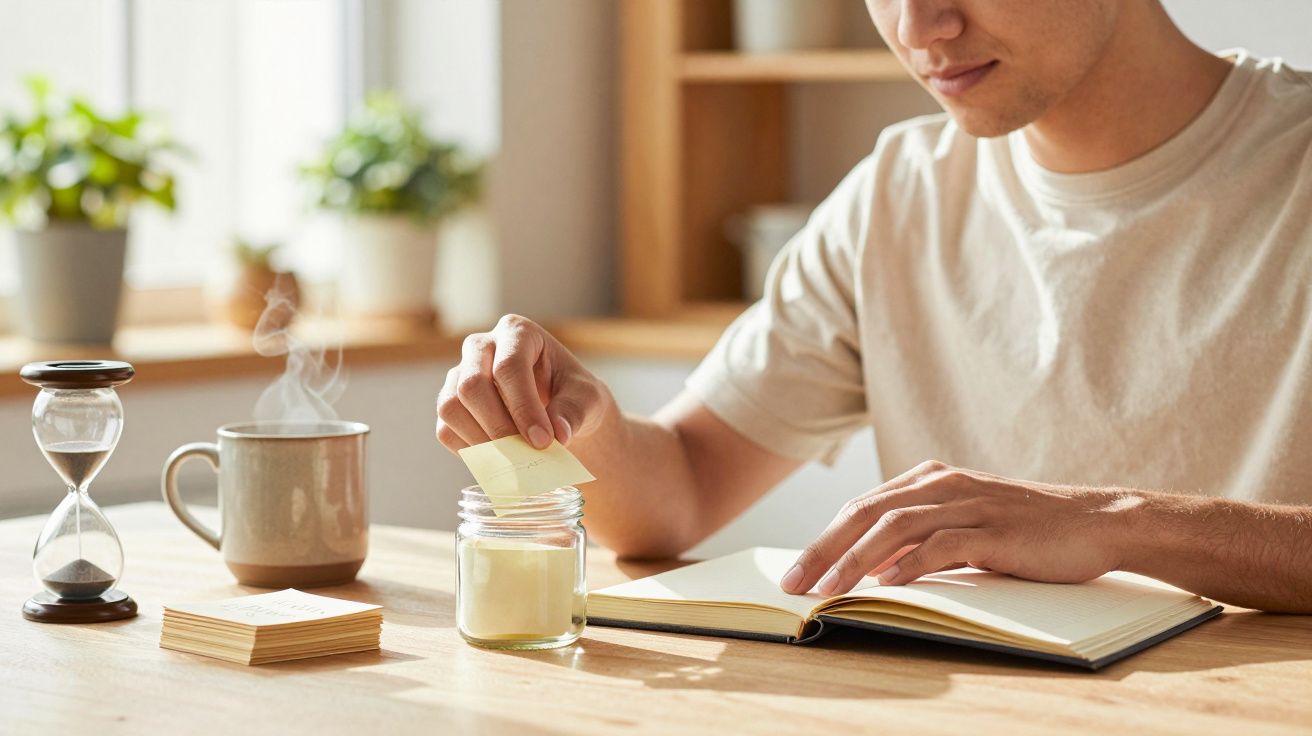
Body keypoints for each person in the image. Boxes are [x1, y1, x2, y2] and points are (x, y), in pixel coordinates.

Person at [436, 0, 1312, 613]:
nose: (917, 26)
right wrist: (578, 428)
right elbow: (674, 501)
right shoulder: (898, 192)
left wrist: (1119, 527)